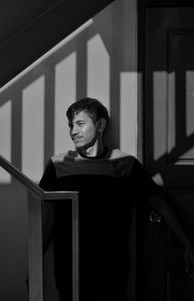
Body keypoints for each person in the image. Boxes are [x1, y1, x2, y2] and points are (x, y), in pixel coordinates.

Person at [39, 97, 194, 301]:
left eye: (80, 123)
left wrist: (187, 243)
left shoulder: (125, 164)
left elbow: (160, 203)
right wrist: (33, 263)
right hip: (70, 265)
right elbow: (48, 217)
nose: (73, 131)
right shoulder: (58, 165)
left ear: (101, 125)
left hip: (111, 268)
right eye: (70, 125)